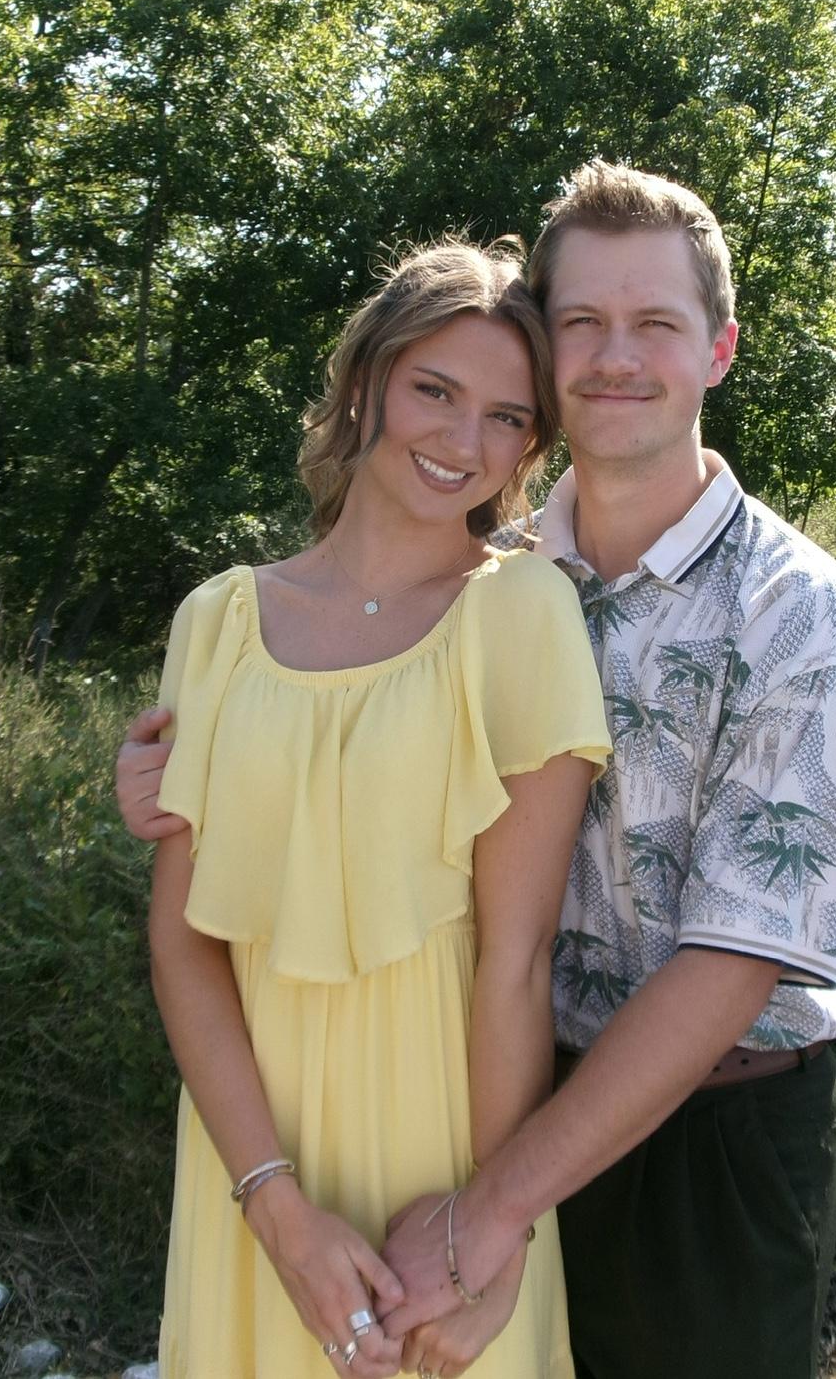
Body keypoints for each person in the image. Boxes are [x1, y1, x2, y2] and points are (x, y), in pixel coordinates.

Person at [122, 163, 836, 1379]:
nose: (615, 356)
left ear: (720, 349)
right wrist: (203, 777)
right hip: (492, 1108)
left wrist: (493, 1211)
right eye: (582, 321)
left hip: (707, 1137)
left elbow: (738, 954)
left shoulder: (796, 611)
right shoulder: (496, 569)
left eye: (655, 324)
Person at [143, 238, 610, 1379]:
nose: (462, 440)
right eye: (434, 391)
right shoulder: (217, 621)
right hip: (250, 1163)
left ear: (531, 446)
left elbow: (516, 961)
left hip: (444, 1175)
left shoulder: (523, 614)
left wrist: (492, 1241)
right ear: (367, 381)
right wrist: (276, 1209)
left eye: (506, 418)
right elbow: (184, 940)